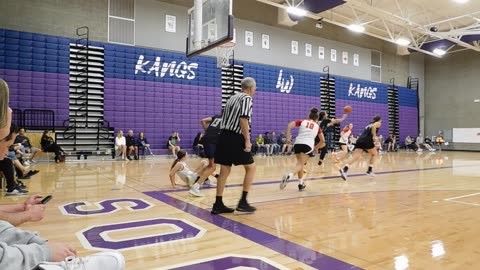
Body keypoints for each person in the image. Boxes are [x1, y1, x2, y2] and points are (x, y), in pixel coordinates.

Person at [213, 77, 257, 214]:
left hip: (223, 135)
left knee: (224, 170)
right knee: (251, 167)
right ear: (250, 88)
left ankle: (218, 204)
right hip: (235, 137)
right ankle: (243, 202)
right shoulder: (247, 98)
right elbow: (243, 119)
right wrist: (248, 140)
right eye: (254, 89)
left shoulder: (231, 98)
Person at [280, 108, 325, 191]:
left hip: (297, 144)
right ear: (317, 119)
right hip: (307, 145)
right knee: (300, 165)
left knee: (300, 164)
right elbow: (323, 141)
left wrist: (288, 137)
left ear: (309, 116)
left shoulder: (302, 121)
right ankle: (289, 175)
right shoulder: (317, 127)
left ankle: (301, 184)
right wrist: (316, 148)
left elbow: (290, 124)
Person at [188, 114, 223, 197]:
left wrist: (207, 132)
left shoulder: (218, 116)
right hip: (212, 141)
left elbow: (203, 120)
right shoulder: (230, 120)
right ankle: (195, 187)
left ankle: (196, 176)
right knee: (213, 167)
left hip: (206, 139)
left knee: (210, 164)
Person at [339, 115, 382, 180]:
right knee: (374, 154)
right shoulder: (378, 123)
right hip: (367, 140)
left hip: (360, 139)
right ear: (379, 120)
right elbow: (374, 126)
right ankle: (369, 171)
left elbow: (370, 129)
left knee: (356, 156)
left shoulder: (369, 124)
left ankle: (344, 169)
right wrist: (374, 136)